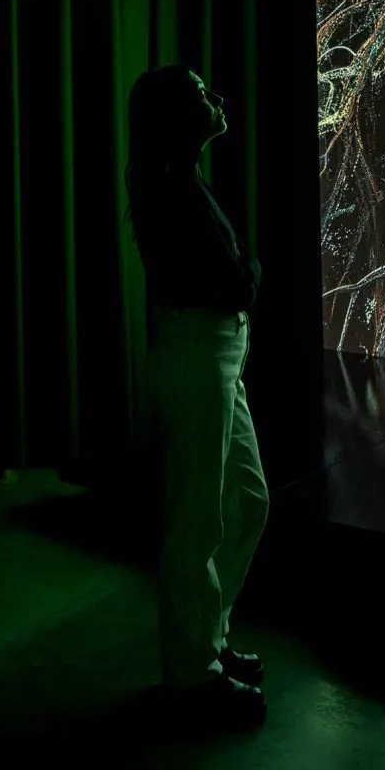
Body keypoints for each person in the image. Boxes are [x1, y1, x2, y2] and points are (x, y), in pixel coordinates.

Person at [125, 64, 270, 728]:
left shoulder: (181, 181)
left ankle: (207, 641)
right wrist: (247, 273)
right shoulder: (170, 188)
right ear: (177, 116)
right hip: (197, 354)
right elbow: (235, 281)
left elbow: (233, 277)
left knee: (246, 503)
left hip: (213, 352)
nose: (217, 97)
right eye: (201, 92)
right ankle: (190, 676)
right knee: (198, 521)